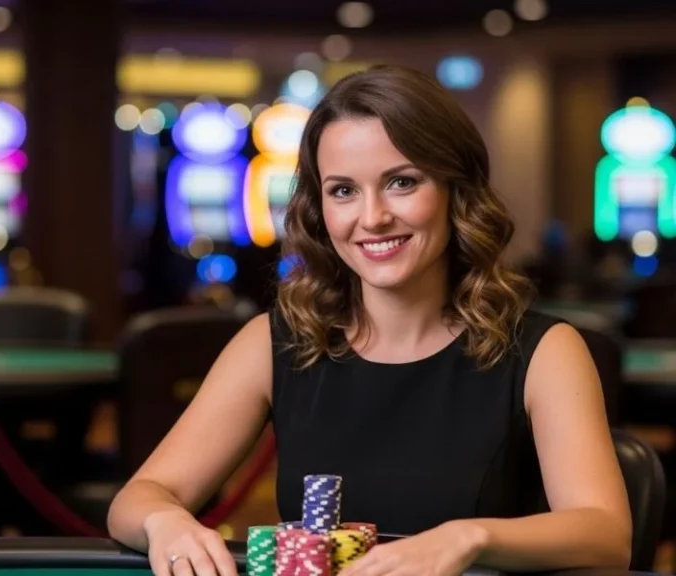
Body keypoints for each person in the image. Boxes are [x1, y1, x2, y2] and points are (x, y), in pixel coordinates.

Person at [107, 65, 632, 576]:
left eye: (402, 182)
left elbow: (605, 533)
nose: (372, 217)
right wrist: (166, 521)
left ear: (457, 191)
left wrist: (468, 538)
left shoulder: (543, 350)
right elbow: (138, 499)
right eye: (343, 190)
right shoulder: (277, 342)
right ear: (319, 209)